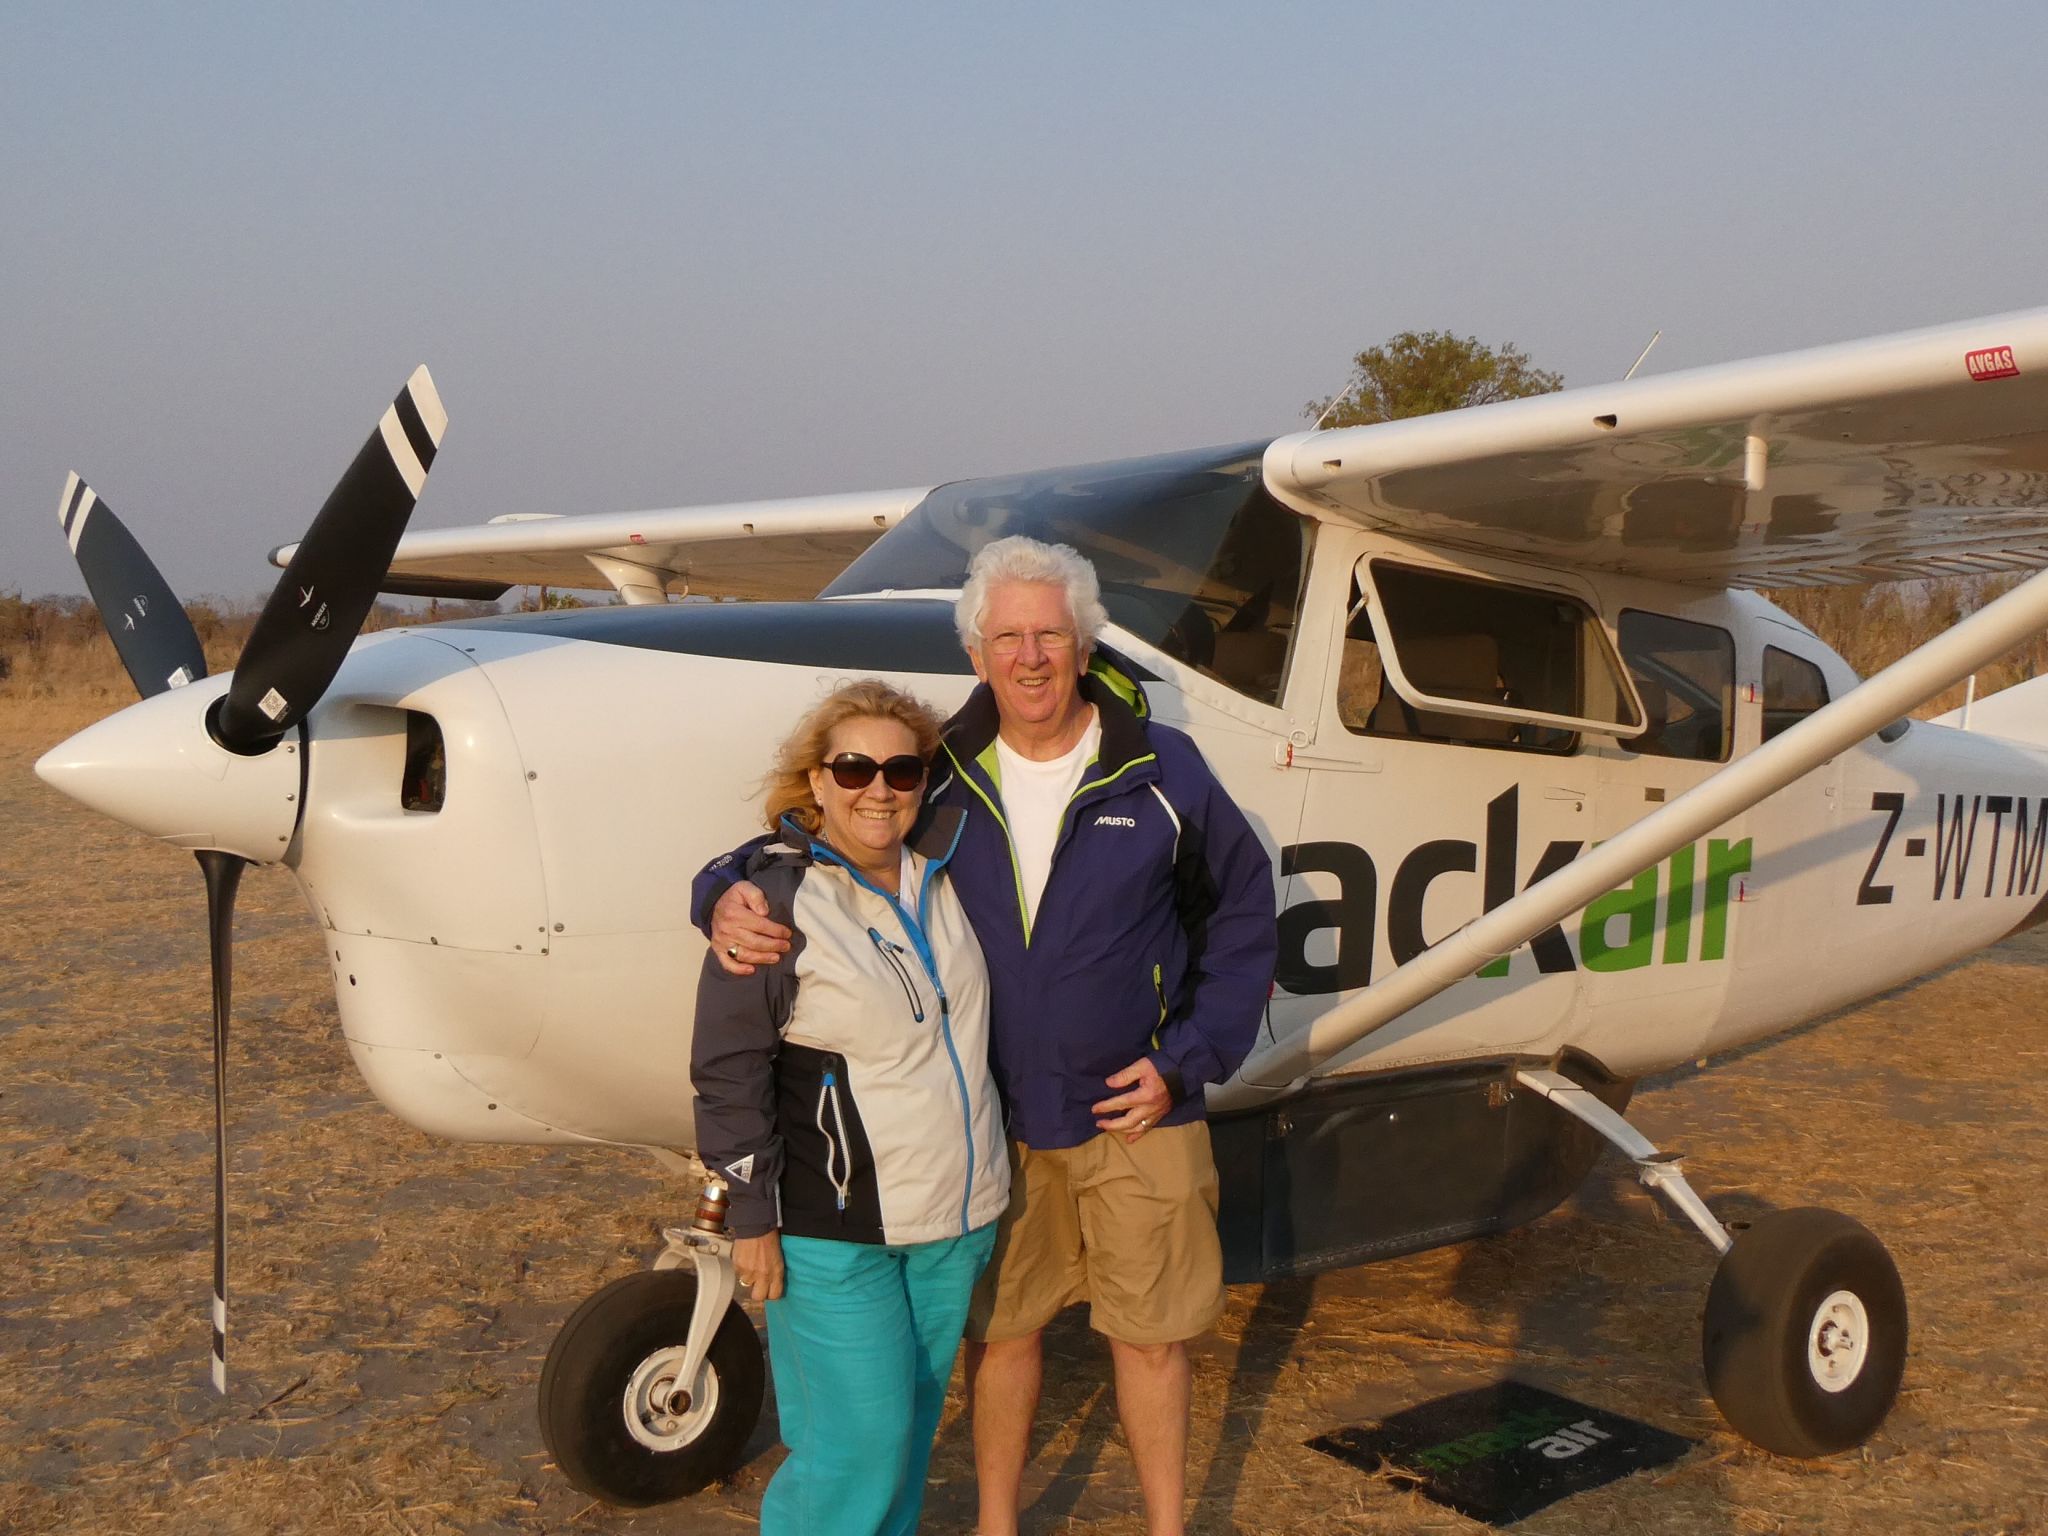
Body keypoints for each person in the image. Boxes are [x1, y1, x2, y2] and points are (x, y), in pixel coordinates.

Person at [698, 537, 1277, 1536]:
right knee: (1002, 1339)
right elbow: (810, 841)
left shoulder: (1163, 771)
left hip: (1139, 1112)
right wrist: (716, 891)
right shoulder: (939, 777)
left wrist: (1186, 1063)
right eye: (1007, 637)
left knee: (1151, 1342)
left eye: (1050, 634)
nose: (1030, 657)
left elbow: (1242, 916)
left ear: (1084, 642)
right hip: (997, 1122)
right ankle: (996, 1524)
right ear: (976, 652)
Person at [690, 679, 1011, 1536]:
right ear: (818, 781)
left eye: (901, 771)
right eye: (854, 768)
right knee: (856, 1447)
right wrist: (750, 1214)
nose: (879, 789)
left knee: (904, 1440)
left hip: (953, 1222)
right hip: (834, 1229)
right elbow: (727, 1070)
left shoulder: (951, 872)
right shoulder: (771, 904)